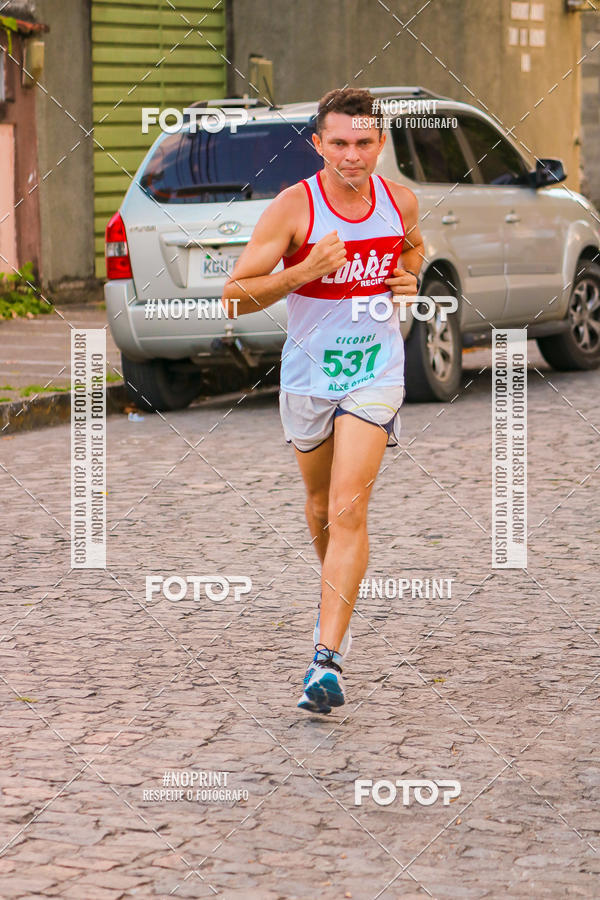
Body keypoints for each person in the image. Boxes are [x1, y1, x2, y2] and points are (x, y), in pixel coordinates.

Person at [222, 87, 424, 713]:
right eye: (338, 142)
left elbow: (412, 248)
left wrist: (411, 279)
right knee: (317, 507)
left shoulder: (401, 201)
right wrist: (300, 274)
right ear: (317, 144)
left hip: (376, 374)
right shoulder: (294, 208)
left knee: (346, 509)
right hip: (308, 379)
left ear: (380, 144)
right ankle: (338, 598)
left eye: (364, 142)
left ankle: (324, 659)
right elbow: (234, 295)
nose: (352, 154)